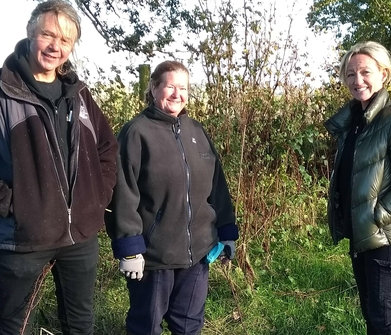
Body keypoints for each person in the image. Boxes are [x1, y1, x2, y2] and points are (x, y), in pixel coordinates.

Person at [0, 1, 118, 334]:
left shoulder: (78, 95)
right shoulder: (4, 92)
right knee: (12, 326)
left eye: (66, 40)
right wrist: (11, 204)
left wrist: (97, 195)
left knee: (80, 325)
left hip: (79, 236)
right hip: (22, 237)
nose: (56, 46)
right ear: (30, 33)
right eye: (48, 35)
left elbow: (107, 148)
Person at [106, 60, 238, 335]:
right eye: (170, 86)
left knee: (189, 326)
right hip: (154, 257)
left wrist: (226, 232)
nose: (177, 94)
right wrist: (130, 247)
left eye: (183, 88)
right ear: (154, 88)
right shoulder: (136, 133)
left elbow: (218, 186)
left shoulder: (197, 133)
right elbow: (123, 193)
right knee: (146, 326)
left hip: (198, 255)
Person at [325, 41, 391, 334]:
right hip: (361, 235)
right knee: (372, 316)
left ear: (383, 74)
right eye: (350, 74)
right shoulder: (354, 122)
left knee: (386, 320)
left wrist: (376, 215)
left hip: (387, 236)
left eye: (365, 72)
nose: (357, 81)